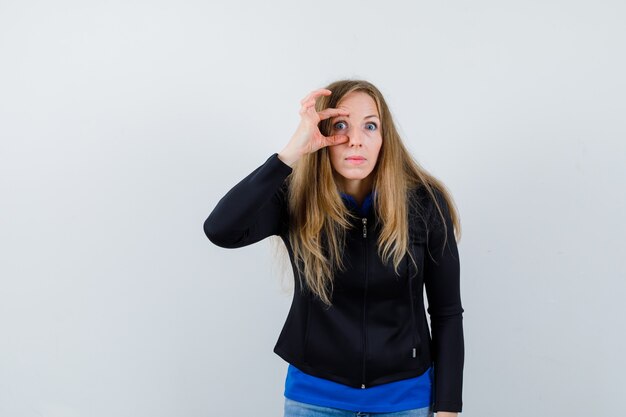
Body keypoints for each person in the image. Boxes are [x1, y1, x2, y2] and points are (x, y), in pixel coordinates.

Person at [203, 79, 464, 417]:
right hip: (314, 400)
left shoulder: (424, 202)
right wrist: (290, 153)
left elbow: (446, 314)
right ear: (322, 135)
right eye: (341, 126)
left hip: (406, 401)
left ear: (385, 139)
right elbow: (220, 230)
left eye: (370, 126)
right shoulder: (294, 199)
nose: (356, 139)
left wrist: (447, 409)